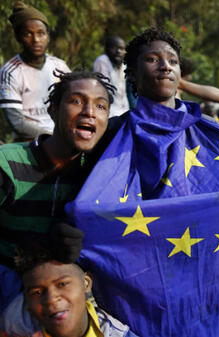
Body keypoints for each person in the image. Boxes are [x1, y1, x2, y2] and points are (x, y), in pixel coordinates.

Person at [0, 71, 116, 334]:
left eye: (101, 106)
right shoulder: (7, 164)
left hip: (65, 295)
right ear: (52, 110)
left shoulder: (100, 175)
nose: (89, 112)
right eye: (76, 101)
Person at [13, 245, 137, 336]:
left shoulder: (116, 333)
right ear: (27, 303)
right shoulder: (14, 330)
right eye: (37, 292)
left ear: (86, 283)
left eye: (62, 284)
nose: (51, 299)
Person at [0, 1, 71, 142]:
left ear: (48, 36)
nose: (36, 40)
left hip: (62, 138)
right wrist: (52, 137)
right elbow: (17, 122)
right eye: (28, 34)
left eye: (41, 33)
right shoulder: (10, 72)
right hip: (29, 142)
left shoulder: (59, 66)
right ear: (18, 37)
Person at [93, 36, 129, 117]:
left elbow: (123, 93)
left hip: (123, 109)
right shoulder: (102, 60)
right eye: (114, 48)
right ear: (107, 49)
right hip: (108, 111)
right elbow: (105, 89)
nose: (118, 51)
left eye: (122, 49)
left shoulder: (123, 65)